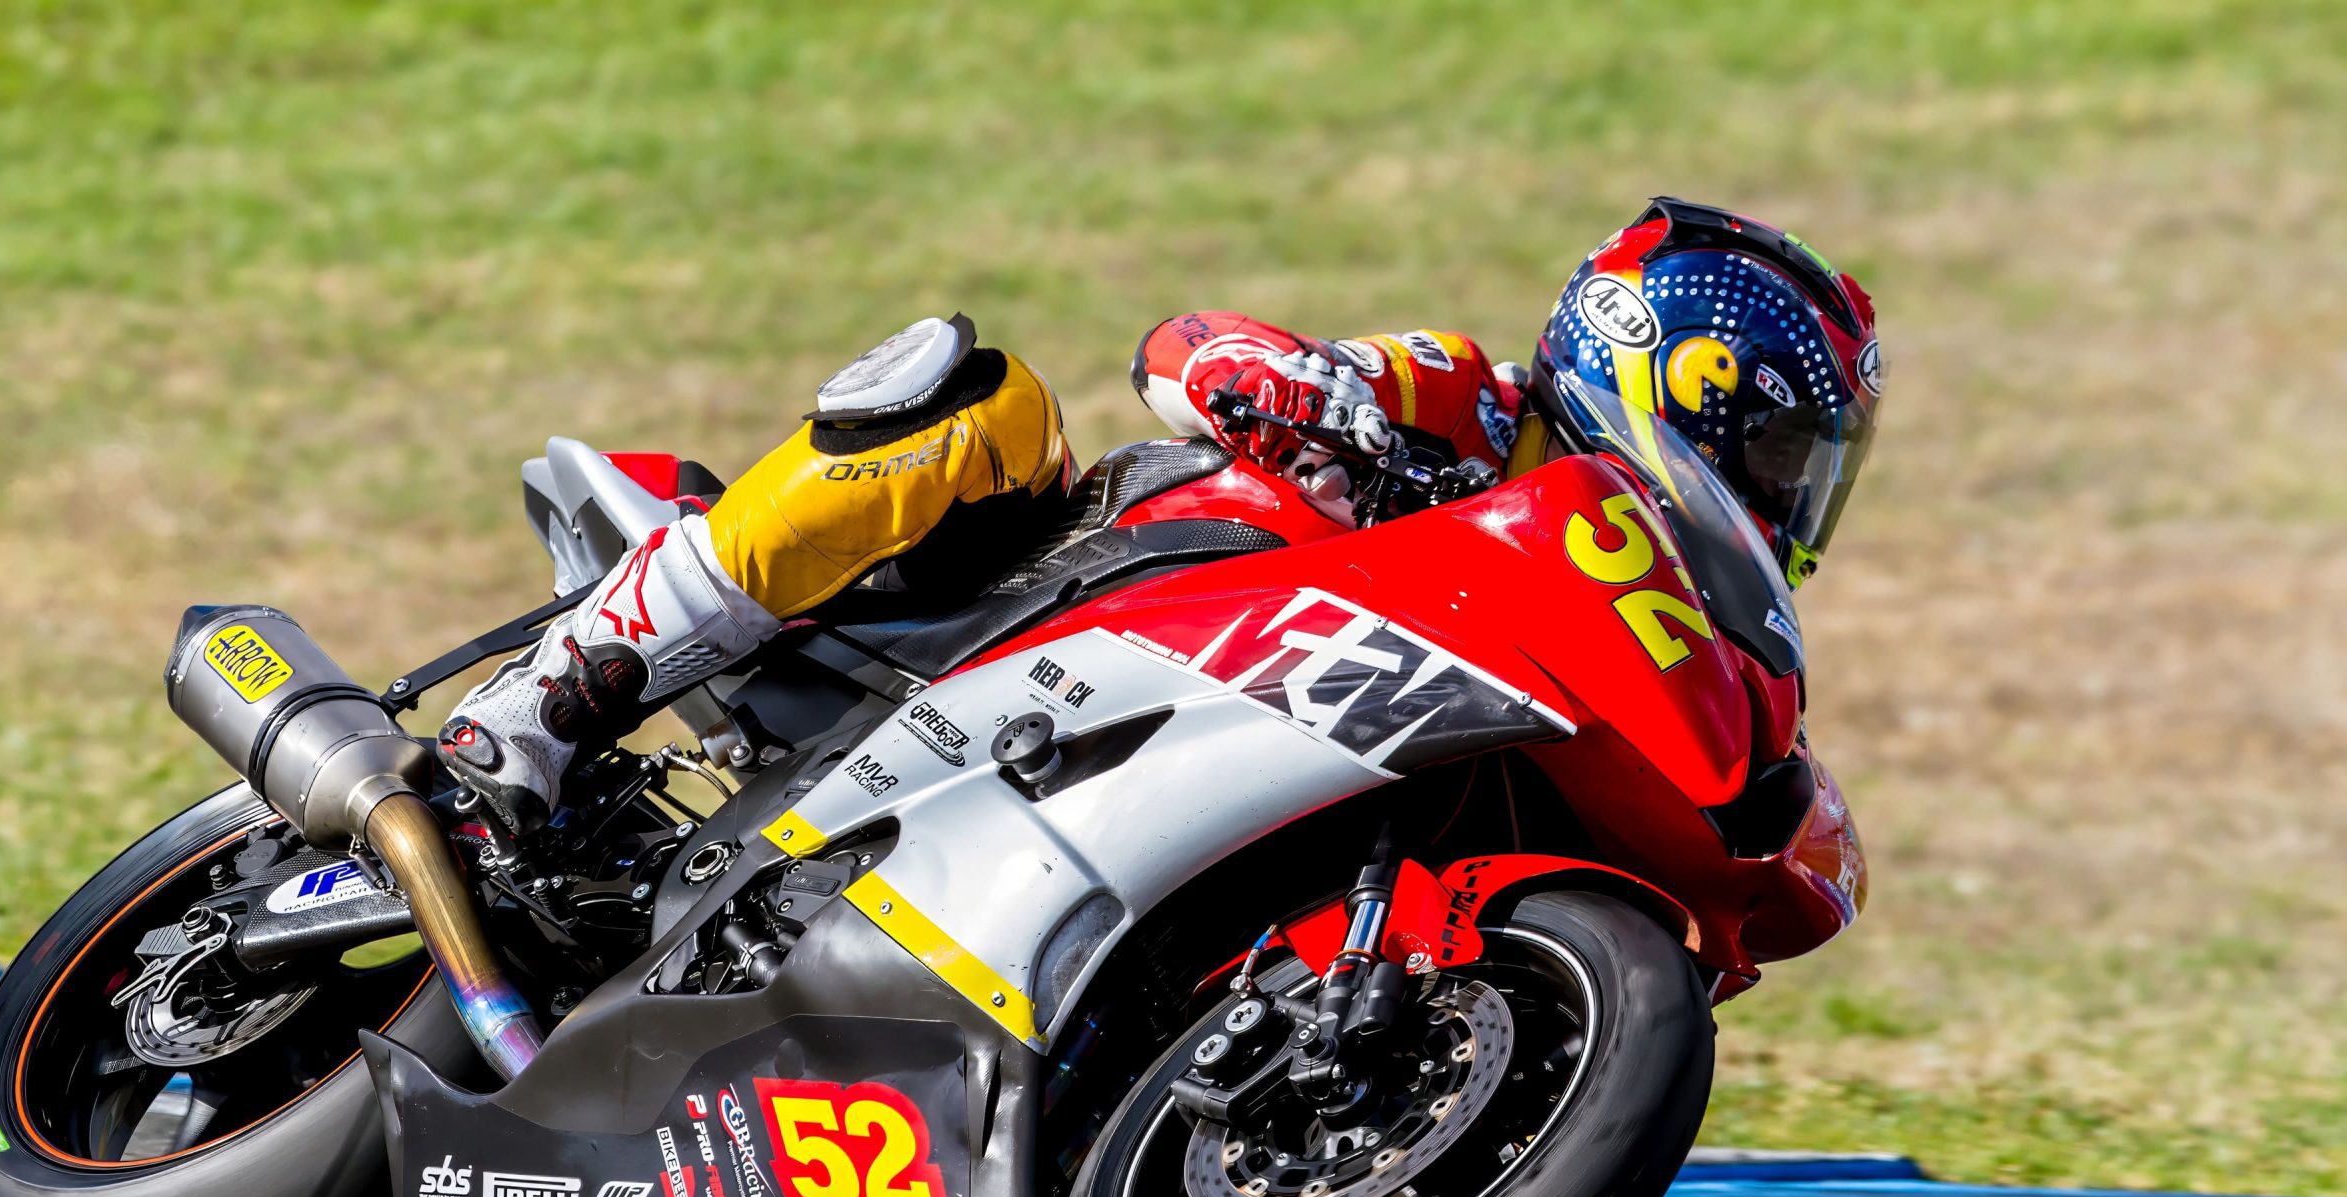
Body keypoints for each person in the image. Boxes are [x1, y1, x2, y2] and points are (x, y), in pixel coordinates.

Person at [440, 197, 1882, 830]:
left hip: (1215, 747)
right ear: (1682, 366)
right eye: (1780, 450)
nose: (1784, 493)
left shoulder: (1649, 605)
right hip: (1070, 596)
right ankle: (545, 705)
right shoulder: (1465, 399)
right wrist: (1295, 386)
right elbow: (1183, 349)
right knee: (985, 405)